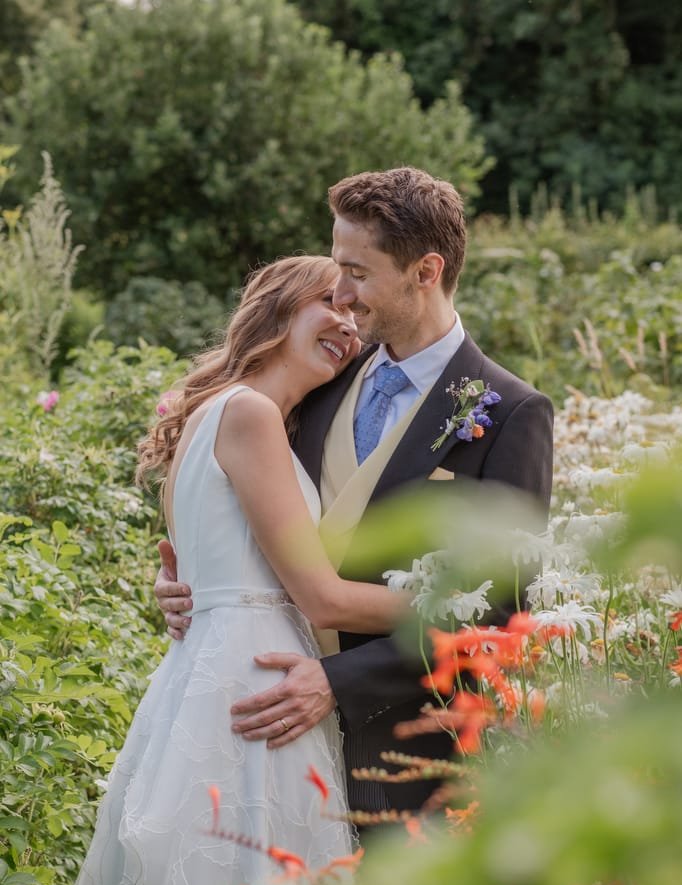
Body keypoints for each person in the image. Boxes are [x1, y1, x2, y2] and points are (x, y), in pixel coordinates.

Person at [39, 255, 408, 885]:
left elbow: (201, 567)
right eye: (327, 304)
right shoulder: (249, 414)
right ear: (276, 311)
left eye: (352, 309)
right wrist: (455, 603)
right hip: (255, 680)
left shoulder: (227, 414)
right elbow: (319, 595)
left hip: (215, 670)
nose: (346, 322)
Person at [156, 166, 554, 814]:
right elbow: (240, 495)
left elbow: (500, 611)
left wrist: (338, 683)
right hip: (257, 729)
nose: (340, 292)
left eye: (358, 273)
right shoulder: (319, 377)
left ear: (425, 272)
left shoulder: (510, 413)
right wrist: (189, 581)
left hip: (400, 759)